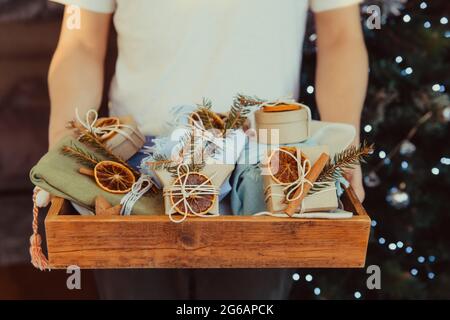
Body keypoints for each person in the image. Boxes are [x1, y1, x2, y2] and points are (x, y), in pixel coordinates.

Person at [48, 0, 368, 299]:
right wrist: (59, 158)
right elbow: (81, 43)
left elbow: (340, 36)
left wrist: (345, 145)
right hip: (134, 166)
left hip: (266, 171)